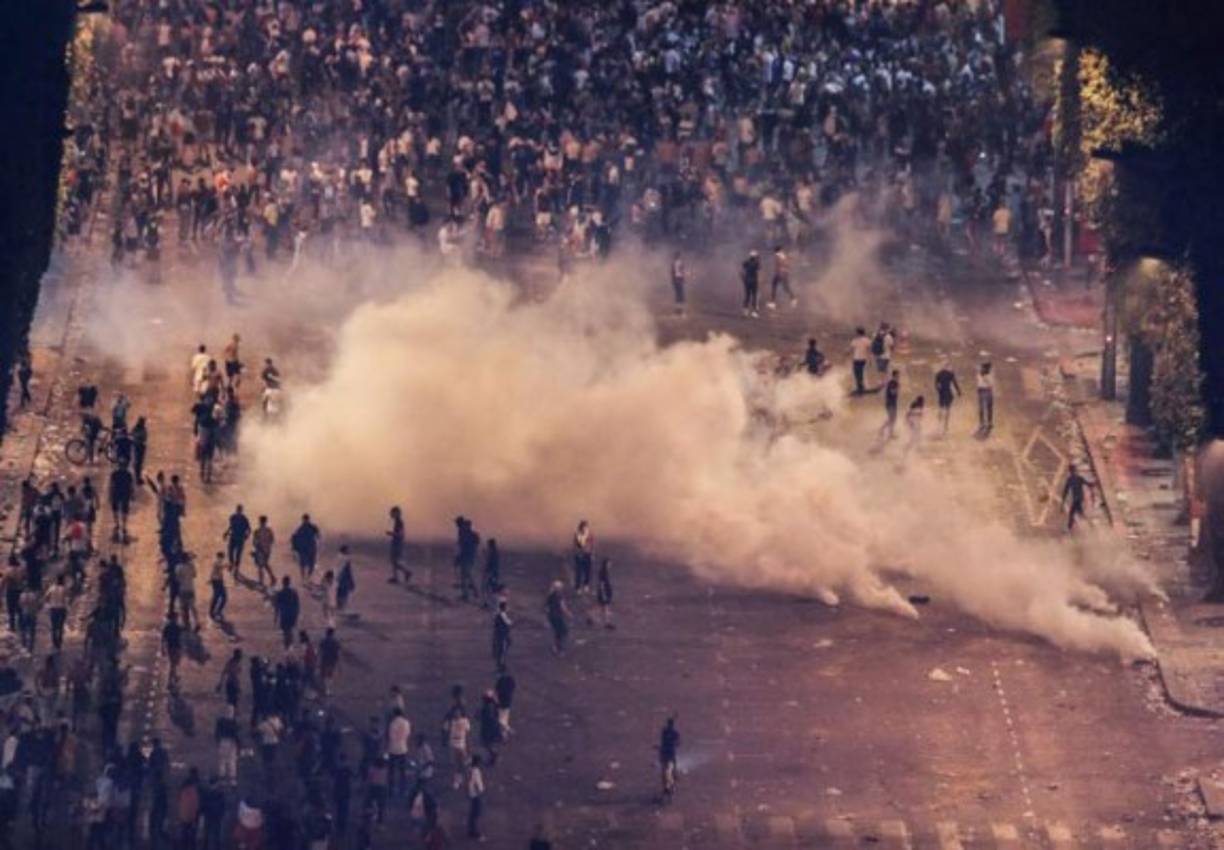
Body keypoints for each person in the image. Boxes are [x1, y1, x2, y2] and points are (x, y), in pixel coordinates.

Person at [1062, 464, 1097, 531]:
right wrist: (1093, 483)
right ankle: (1091, 524)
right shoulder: (1079, 478)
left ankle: (1069, 528)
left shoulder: (1070, 479)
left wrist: (1063, 501)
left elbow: (1065, 490)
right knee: (1079, 513)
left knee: (1072, 513)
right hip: (1080, 498)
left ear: (1070, 471)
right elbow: (1088, 484)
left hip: (1076, 499)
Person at [290, 514, 321, 585]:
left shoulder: (311, 527)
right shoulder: (301, 528)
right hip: (304, 549)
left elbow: (318, 535)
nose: (305, 521)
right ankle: (303, 578)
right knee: (303, 564)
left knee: (311, 565)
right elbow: (294, 538)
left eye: (305, 519)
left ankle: (307, 578)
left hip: (310, 548)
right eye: (304, 520)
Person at [215, 705, 240, 786]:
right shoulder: (234, 722)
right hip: (232, 742)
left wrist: (218, 741)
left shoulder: (220, 721)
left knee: (222, 761)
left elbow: (216, 733)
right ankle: (232, 780)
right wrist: (239, 744)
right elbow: (237, 734)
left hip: (223, 741)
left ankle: (222, 779)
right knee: (232, 761)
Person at [934, 363, 961, 435]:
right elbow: (955, 383)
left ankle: (939, 425)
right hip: (948, 394)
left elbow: (936, 385)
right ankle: (945, 426)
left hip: (941, 394)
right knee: (947, 410)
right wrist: (959, 392)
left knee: (940, 409)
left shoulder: (938, 374)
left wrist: (938, 390)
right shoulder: (950, 374)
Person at [272, 577, 300, 648]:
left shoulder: (279, 593)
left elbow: (277, 607)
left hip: (284, 615)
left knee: (285, 632)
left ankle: (287, 647)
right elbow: (297, 606)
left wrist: (275, 617)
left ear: (283, 583)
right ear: (289, 582)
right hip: (292, 615)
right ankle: (290, 646)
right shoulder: (294, 592)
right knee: (290, 630)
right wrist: (296, 616)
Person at [657, 716, 680, 803]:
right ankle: (669, 786)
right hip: (669, 753)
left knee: (666, 771)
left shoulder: (665, 731)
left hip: (666, 753)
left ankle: (667, 787)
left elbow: (664, 741)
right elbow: (678, 743)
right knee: (668, 770)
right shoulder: (674, 733)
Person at [224, 505, 251, 573]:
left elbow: (249, 529)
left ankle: (236, 567)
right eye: (238, 510)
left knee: (238, 554)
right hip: (233, 537)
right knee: (230, 552)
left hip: (240, 538)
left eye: (240, 510)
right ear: (236, 510)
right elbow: (231, 526)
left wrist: (246, 536)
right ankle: (232, 564)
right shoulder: (233, 517)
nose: (239, 511)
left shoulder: (244, 519)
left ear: (241, 510)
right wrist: (226, 533)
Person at [545, 582, 570, 655]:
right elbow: (563, 607)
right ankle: (559, 648)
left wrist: (548, 617)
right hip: (558, 616)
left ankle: (556, 647)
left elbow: (547, 607)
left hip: (552, 616)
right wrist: (568, 614)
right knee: (563, 631)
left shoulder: (550, 595)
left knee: (558, 632)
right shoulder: (560, 596)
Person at [387, 506, 409, 583]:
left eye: (392, 513)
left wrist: (391, 534)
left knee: (394, 561)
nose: (391, 514)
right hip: (397, 542)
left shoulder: (399, 522)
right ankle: (402, 574)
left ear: (396, 513)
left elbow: (401, 534)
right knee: (394, 561)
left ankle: (403, 574)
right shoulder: (397, 522)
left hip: (397, 543)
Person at [465, 755, 486, 840]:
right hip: (476, 795)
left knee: (473, 813)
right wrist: (480, 793)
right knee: (476, 813)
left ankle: (471, 829)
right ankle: (474, 832)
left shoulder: (470, 769)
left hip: (472, 793)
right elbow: (477, 784)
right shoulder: (476, 771)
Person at [162, 612, 183, 688]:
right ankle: (170, 681)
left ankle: (174, 676)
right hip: (176, 648)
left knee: (173, 664)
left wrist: (163, 649)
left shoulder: (167, 627)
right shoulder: (178, 627)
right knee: (173, 665)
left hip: (170, 647)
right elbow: (181, 638)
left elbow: (163, 639)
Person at [572, 520, 594, 594]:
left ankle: (586, 585)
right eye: (584, 527)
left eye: (586, 527)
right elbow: (576, 545)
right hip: (579, 555)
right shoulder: (577, 534)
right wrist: (578, 554)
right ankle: (578, 587)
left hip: (587, 554)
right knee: (579, 572)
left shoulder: (589, 534)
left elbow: (591, 545)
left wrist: (591, 554)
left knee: (587, 571)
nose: (586, 528)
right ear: (581, 527)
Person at [252, 516, 275, 586]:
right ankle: (272, 577)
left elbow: (254, 542)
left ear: (260, 521)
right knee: (265, 564)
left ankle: (261, 581)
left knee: (260, 566)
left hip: (260, 550)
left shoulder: (257, 531)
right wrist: (267, 546)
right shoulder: (269, 530)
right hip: (267, 550)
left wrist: (257, 549)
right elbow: (272, 540)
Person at [878, 370, 900, 442]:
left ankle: (887, 431)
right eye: (897, 375)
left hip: (892, 403)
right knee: (892, 418)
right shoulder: (893, 383)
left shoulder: (894, 383)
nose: (899, 377)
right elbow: (892, 392)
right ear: (894, 375)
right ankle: (885, 430)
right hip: (890, 403)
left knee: (893, 418)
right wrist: (897, 389)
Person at [849, 328, 871, 395]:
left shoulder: (855, 340)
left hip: (856, 359)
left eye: (856, 332)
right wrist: (870, 359)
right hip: (863, 359)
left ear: (858, 333)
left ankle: (860, 388)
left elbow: (851, 349)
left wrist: (846, 354)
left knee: (857, 374)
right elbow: (869, 351)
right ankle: (861, 387)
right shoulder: (867, 340)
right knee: (861, 373)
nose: (855, 334)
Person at [319, 627, 340, 696]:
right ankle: (328, 689)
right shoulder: (336, 641)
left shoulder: (323, 640)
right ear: (332, 633)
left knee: (324, 675)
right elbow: (337, 652)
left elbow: (320, 651)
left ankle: (325, 688)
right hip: (332, 660)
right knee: (330, 675)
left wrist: (318, 659)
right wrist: (337, 660)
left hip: (325, 660)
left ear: (326, 633)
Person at [902, 396, 925, 461]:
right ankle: (910, 446)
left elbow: (919, 415)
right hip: (912, 421)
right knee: (915, 434)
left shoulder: (917, 405)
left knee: (917, 433)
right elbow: (909, 413)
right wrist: (909, 421)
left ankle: (915, 446)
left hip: (913, 421)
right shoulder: (915, 405)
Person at [492, 601, 512, 672]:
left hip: (498, 635)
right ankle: (501, 666)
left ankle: (500, 666)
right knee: (502, 651)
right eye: (507, 606)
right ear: (504, 607)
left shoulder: (498, 614)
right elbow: (509, 624)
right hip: (501, 636)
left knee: (500, 651)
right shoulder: (502, 615)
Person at [336, 546, 356, 617]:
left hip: (337, 578)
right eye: (348, 550)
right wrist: (351, 581)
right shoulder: (346, 560)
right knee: (344, 595)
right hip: (343, 580)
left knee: (339, 594)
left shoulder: (338, 558)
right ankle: (342, 610)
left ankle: (339, 609)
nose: (350, 551)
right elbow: (347, 571)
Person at [595, 558, 614, 629]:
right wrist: (603, 594)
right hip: (604, 592)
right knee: (605, 608)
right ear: (606, 564)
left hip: (605, 592)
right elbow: (601, 584)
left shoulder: (605, 572)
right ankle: (607, 623)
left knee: (601, 607)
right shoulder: (603, 573)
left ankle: (591, 618)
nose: (610, 565)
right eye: (609, 563)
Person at [976, 361, 995, 435]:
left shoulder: (984, 374)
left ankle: (986, 423)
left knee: (986, 408)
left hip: (984, 391)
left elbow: (990, 384)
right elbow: (990, 384)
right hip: (984, 391)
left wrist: (984, 377)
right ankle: (985, 423)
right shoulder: (983, 374)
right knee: (985, 408)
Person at [741, 250, 760, 318]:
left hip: (747, 281)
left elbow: (742, 272)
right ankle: (754, 312)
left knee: (747, 296)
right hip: (754, 281)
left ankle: (745, 312)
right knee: (754, 296)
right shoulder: (757, 263)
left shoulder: (745, 262)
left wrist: (743, 279)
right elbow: (758, 273)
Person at [209, 552, 228, 621]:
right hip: (216, 581)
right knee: (220, 597)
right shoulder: (216, 561)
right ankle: (214, 611)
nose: (222, 559)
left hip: (218, 581)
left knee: (220, 597)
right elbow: (220, 566)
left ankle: (215, 611)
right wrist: (226, 565)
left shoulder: (218, 562)